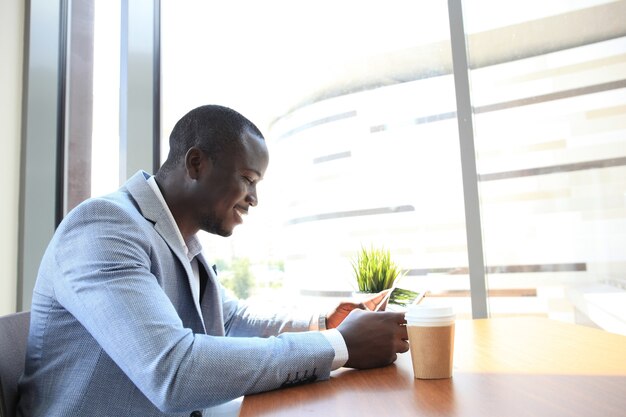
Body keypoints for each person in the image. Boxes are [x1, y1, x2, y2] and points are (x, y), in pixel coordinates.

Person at [17, 105, 409, 417]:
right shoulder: (105, 227)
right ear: (196, 164)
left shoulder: (184, 242)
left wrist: (325, 321)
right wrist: (338, 345)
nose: (254, 199)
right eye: (249, 179)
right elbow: (173, 371)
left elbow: (233, 319)